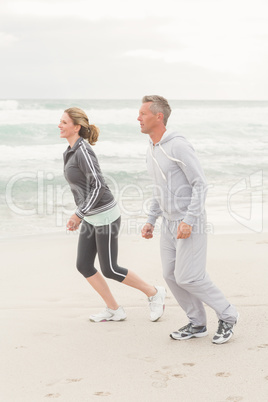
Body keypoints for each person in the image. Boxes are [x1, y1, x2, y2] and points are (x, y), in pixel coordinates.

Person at [138, 95, 239, 344]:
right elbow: (158, 188)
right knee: (171, 274)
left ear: (158, 116)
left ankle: (228, 314)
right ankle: (197, 323)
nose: (138, 118)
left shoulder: (178, 146)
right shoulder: (151, 149)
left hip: (188, 221)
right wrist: (152, 219)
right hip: (168, 223)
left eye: (143, 114)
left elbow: (200, 184)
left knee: (189, 276)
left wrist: (189, 220)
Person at [59, 107, 166, 323]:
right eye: (60, 121)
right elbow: (84, 188)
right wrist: (82, 214)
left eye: (64, 122)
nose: (59, 125)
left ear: (76, 127)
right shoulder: (70, 151)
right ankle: (114, 309)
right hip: (92, 216)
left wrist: (78, 214)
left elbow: (98, 186)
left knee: (110, 269)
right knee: (84, 265)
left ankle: (154, 293)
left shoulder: (83, 151)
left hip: (105, 216)